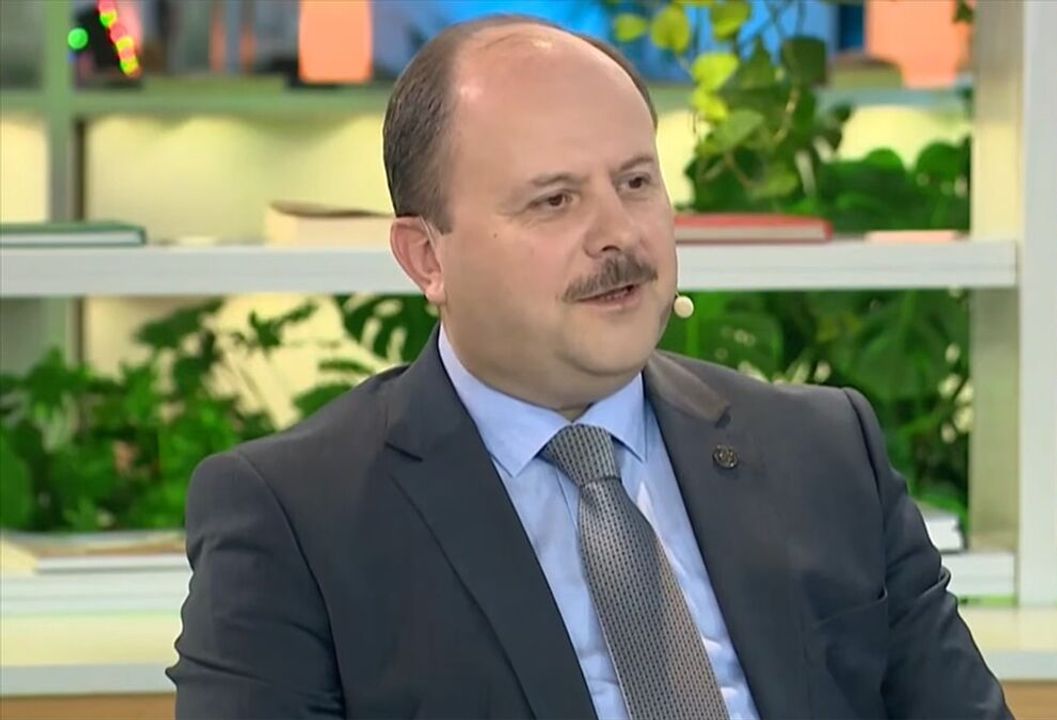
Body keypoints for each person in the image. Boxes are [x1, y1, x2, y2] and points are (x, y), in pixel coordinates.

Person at [167, 15, 1012, 720]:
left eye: (636, 182)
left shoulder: (824, 451)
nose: (619, 234)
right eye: (555, 200)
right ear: (427, 257)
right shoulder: (296, 519)